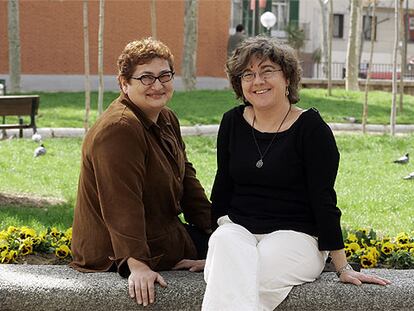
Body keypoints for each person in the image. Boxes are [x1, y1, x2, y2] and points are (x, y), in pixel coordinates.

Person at [202, 36, 390, 311]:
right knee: (222, 242)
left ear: (287, 78)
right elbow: (222, 187)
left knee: (251, 274)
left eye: (267, 71)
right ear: (239, 84)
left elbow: (323, 199)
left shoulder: (311, 129)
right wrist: (211, 257)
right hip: (239, 228)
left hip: (296, 236)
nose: (258, 81)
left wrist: (342, 266)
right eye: (248, 74)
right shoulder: (232, 122)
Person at [70, 37, 211, 307]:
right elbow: (120, 201)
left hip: (161, 234)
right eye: (146, 78)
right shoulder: (120, 129)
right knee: (243, 260)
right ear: (124, 83)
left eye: (164, 75)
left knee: (238, 247)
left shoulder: (166, 118)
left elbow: (187, 179)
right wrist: (137, 264)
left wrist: (214, 230)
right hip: (114, 252)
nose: (157, 85)